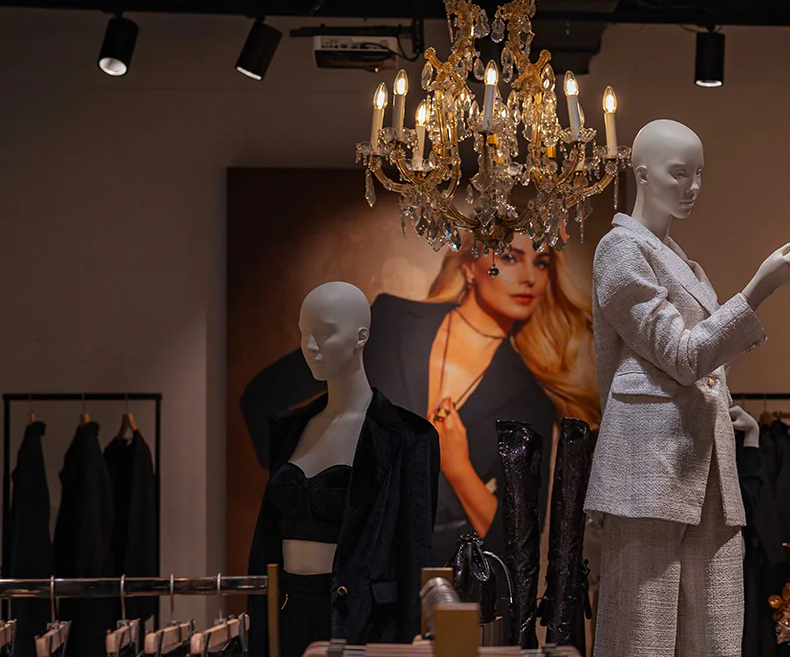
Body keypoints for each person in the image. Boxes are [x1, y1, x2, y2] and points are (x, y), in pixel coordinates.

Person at [240, 231, 597, 563]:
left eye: (541, 263)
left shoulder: (530, 398)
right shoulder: (391, 322)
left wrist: (459, 469)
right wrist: (312, 499)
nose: (529, 277)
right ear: (468, 267)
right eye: (509, 257)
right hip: (354, 565)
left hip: (448, 578)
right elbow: (263, 398)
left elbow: (519, 541)